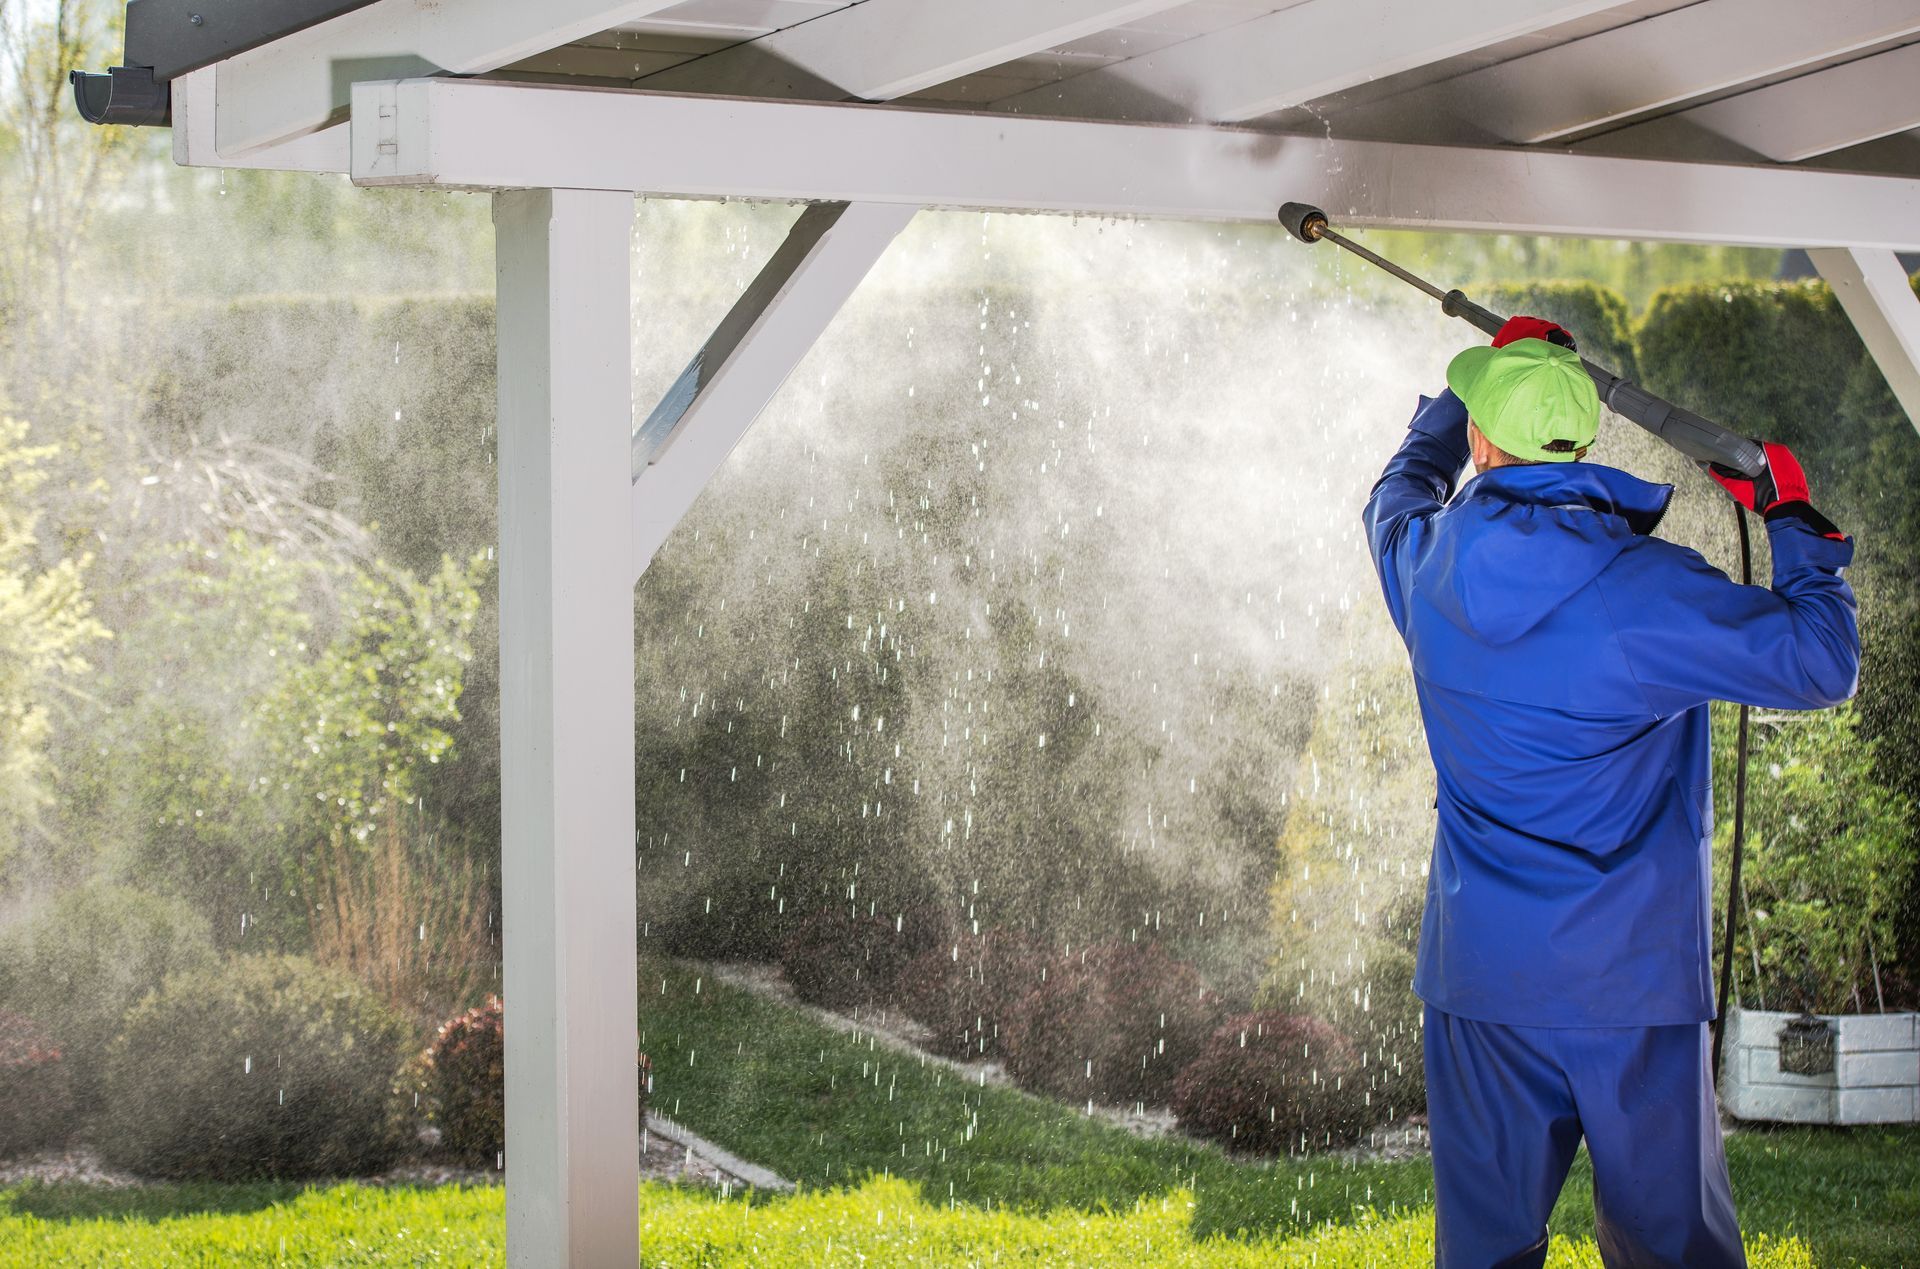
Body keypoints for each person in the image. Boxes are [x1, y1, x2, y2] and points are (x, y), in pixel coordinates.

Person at [1362, 316, 1859, 1268]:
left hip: (1482, 983)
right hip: (1629, 987)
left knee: (1484, 1255)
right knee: (1674, 1254)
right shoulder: (1650, 590)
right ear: (1584, 442)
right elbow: (1822, 659)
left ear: (1480, 441)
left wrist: (1467, 390)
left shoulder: (1426, 570)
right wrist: (1792, 518)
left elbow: (1396, 490)